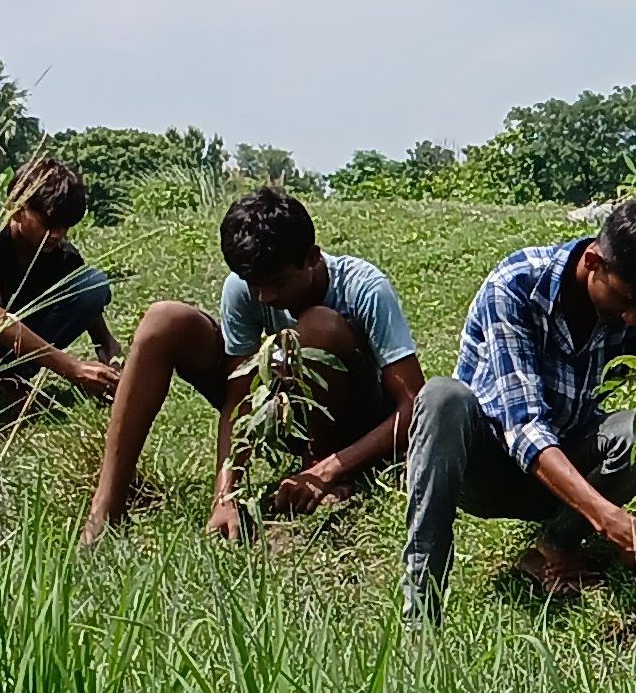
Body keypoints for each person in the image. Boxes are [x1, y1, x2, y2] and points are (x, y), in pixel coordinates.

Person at [403, 197, 636, 618]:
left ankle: (552, 547)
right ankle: (422, 613)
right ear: (594, 261)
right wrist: (611, 521)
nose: (632, 319)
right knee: (441, 398)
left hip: (569, 458)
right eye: (625, 301)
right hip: (488, 470)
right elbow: (524, 428)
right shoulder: (515, 287)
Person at [79, 188, 423, 544]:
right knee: (163, 321)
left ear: (311, 258)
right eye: (254, 285)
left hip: (353, 417)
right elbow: (238, 393)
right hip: (285, 410)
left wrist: (328, 468)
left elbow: (414, 403)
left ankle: (321, 472)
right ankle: (107, 508)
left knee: (319, 327)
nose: (265, 297)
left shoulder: (364, 288)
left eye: (277, 283)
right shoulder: (244, 288)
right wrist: (226, 494)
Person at [0, 156, 122, 444]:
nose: (57, 235)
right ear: (17, 210)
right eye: (48, 224)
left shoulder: (60, 255)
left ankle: (14, 381)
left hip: (14, 337)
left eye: (65, 226)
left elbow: (91, 312)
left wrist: (108, 351)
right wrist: (71, 368)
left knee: (92, 284)